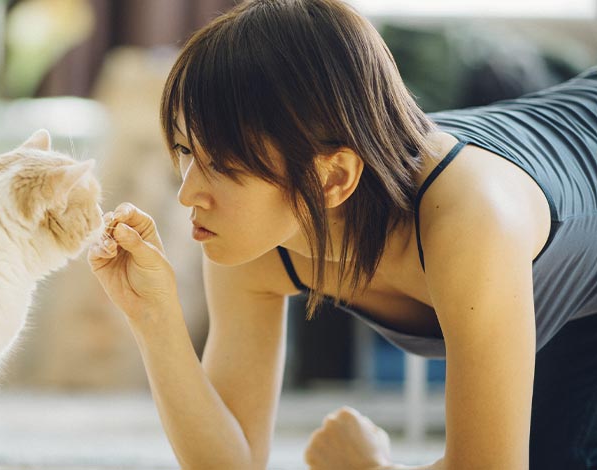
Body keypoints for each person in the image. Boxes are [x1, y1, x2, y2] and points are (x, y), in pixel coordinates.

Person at [86, 0, 597, 469]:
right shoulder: (250, 241)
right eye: (184, 150)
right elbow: (232, 463)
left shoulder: (471, 221)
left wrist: (371, 469)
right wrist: (154, 317)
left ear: (333, 177)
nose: (187, 193)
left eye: (224, 165)